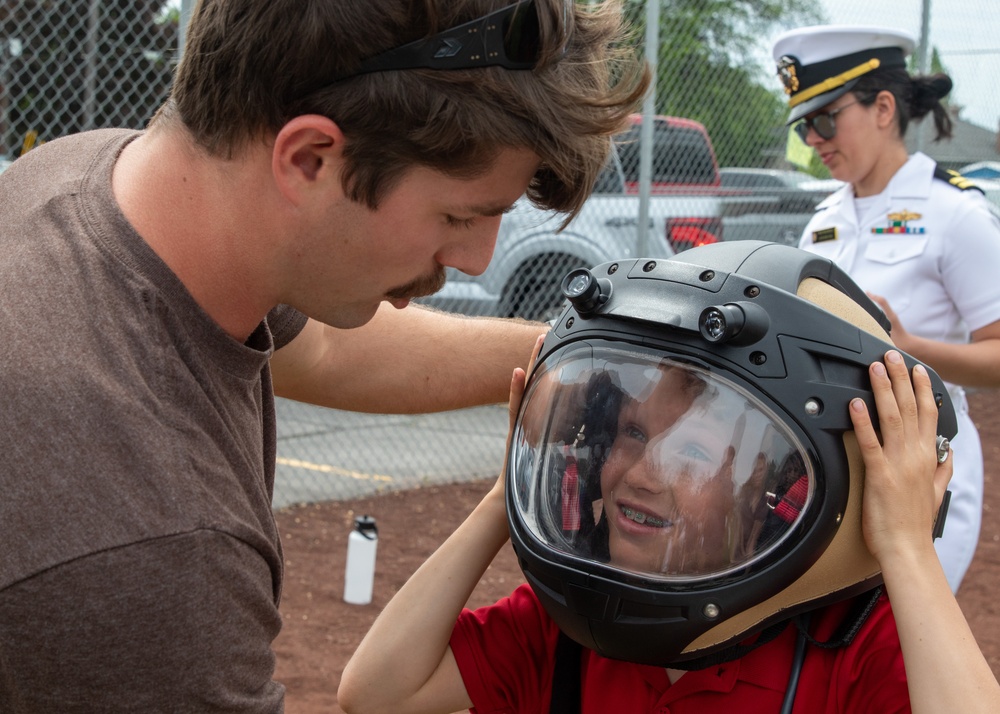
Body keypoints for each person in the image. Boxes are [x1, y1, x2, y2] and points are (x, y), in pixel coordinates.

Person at [0, 0, 650, 710]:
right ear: (308, 158)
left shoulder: (90, 185)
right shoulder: (159, 545)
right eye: (459, 215)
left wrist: (585, 354)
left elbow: (332, 353)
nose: (473, 258)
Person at [338, 242, 1000, 714]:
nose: (641, 474)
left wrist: (906, 548)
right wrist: (509, 482)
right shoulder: (575, 627)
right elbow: (378, 692)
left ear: (776, 497)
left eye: (694, 455)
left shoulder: (845, 651)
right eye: (630, 433)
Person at [771, 24, 1000, 592]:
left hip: (926, 459)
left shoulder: (956, 214)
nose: (815, 138)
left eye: (826, 119)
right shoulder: (822, 219)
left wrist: (910, 348)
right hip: (826, 459)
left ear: (883, 107)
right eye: (805, 125)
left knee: (900, 638)